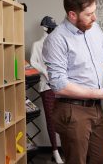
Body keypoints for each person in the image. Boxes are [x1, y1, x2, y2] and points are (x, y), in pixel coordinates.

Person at [42, 0, 103, 164]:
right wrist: (98, 93)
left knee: (101, 160)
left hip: (96, 109)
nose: (95, 17)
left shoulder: (95, 29)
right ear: (72, 15)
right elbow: (59, 85)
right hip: (72, 111)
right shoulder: (56, 40)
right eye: (89, 14)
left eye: (94, 12)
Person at [30, 16, 64, 164]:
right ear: (44, 27)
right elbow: (32, 61)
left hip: (61, 86)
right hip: (46, 86)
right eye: (50, 26)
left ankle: (65, 149)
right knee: (51, 119)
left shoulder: (57, 43)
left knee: (63, 118)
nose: (53, 29)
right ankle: (55, 152)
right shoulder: (37, 44)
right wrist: (44, 71)